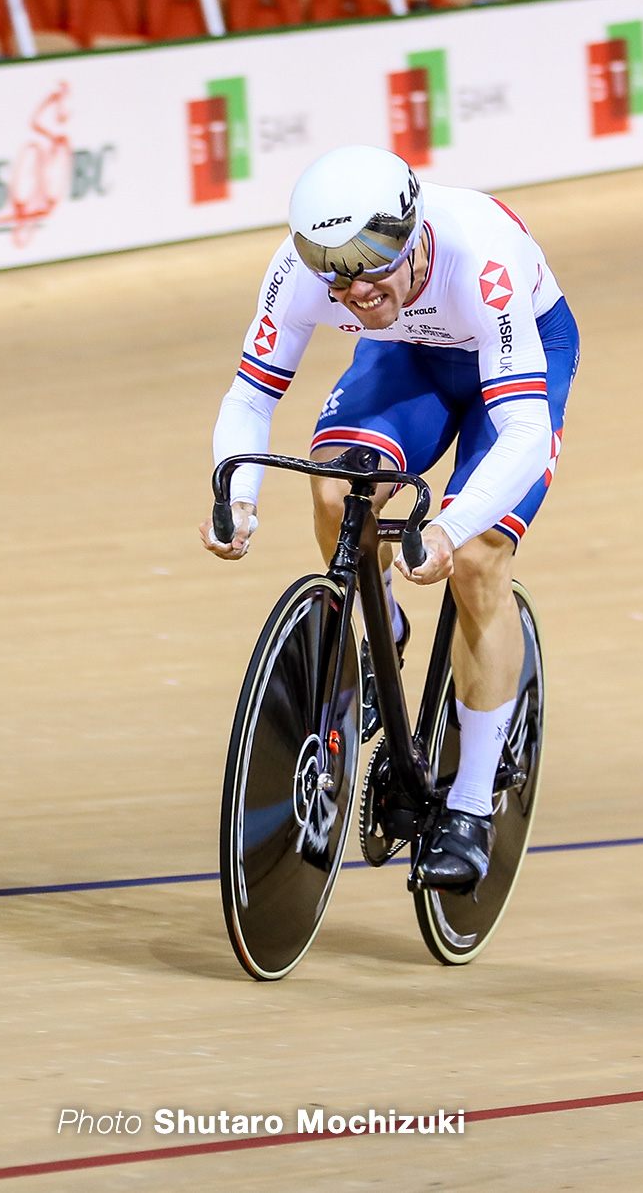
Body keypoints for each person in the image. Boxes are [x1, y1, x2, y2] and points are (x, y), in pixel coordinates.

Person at [199, 145, 579, 893]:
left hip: (514, 359)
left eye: (373, 260)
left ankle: (470, 802)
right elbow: (251, 393)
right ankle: (386, 633)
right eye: (333, 268)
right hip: (409, 355)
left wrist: (446, 527)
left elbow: (526, 434)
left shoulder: (481, 257)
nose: (355, 287)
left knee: (474, 562)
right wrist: (235, 494)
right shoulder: (309, 271)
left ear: (412, 233)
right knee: (339, 493)